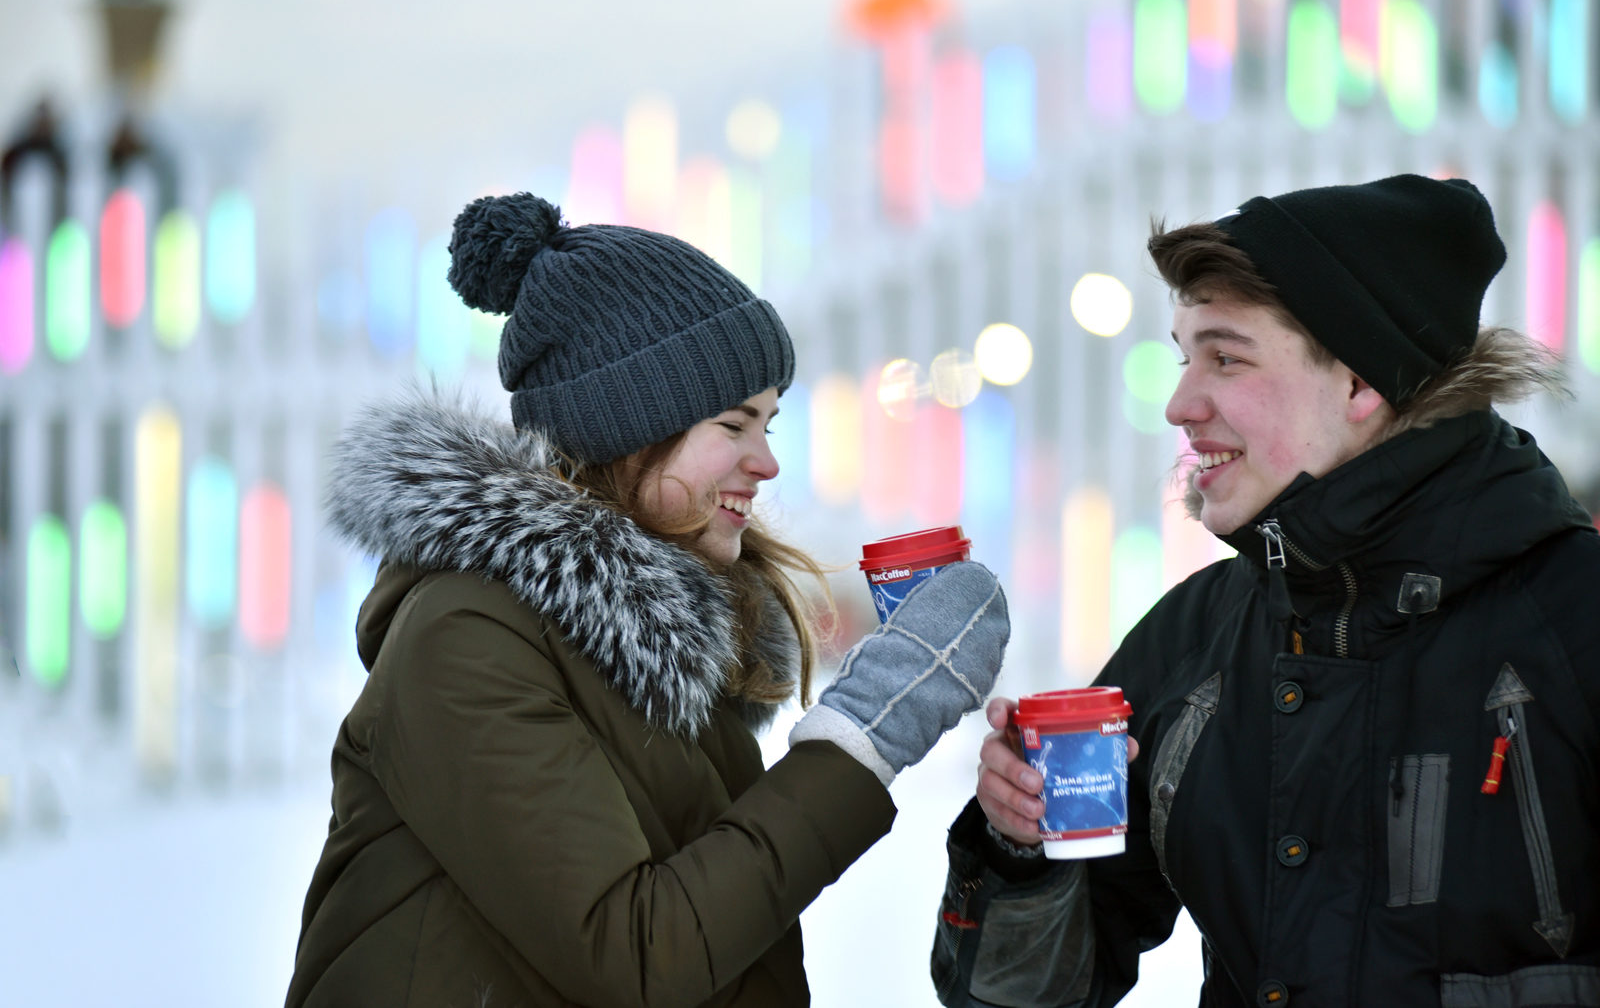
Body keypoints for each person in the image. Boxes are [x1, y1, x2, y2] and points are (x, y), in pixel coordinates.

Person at [285, 192, 1011, 1008]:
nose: (766, 462)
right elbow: (640, 955)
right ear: (627, 423)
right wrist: (864, 734)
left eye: (771, 424)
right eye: (735, 425)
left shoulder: (652, 650)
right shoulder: (467, 637)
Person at [931, 174, 1600, 1007]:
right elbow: (1028, 997)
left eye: (1225, 356)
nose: (1179, 404)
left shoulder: (1575, 620)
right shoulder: (1197, 636)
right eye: (1184, 358)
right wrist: (1020, 847)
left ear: (1361, 382)